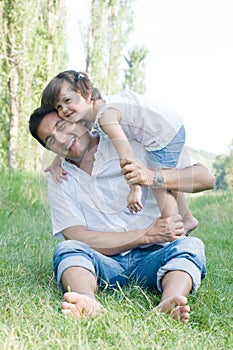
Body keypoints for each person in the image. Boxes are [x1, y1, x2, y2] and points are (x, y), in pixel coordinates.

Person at [29, 106, 215, 322]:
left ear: (79, 120)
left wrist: (153, 176)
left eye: (61, 126)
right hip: (104, 263)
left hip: (156, 257)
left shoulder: (127, 144)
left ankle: (170, 300)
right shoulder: (59, 177)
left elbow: (205, 178)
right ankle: (87, 301)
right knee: (68, 249)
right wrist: (146, 234)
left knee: (191, 246)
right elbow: (77, 236)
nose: (60, 139)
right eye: (50, 140)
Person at [40, 70, 198, 234]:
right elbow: (71, 141)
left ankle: (174, 228)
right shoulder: (93, 110)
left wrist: (135, 189)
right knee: (163, 173)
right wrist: (55, 164)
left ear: (86, 93)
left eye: (67, 100)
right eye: (59, 107)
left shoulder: (105, 116)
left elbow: (126, 153)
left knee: (157, 181)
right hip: (169, 126)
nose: (64, 109)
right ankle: (187, 219)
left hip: (163, 133)